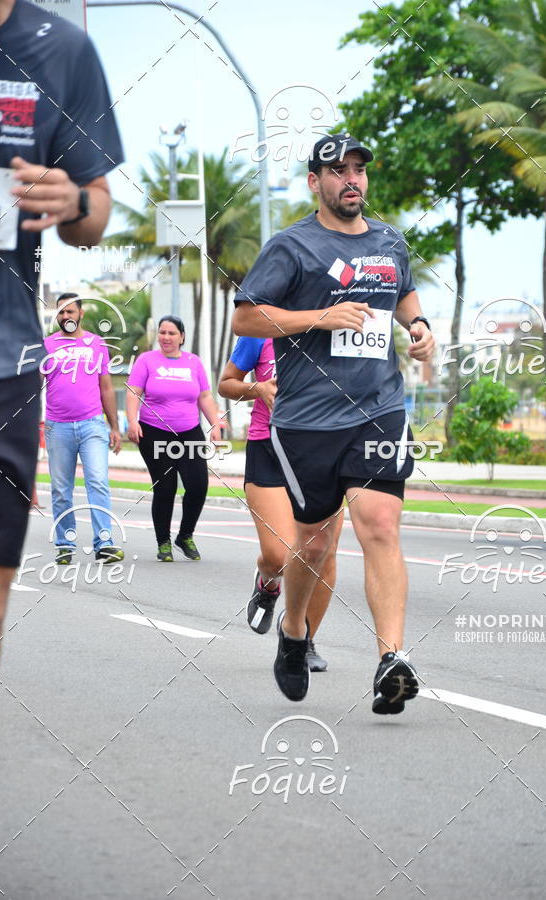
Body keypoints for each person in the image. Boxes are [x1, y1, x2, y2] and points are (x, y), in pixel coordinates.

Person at [232, 134, 436, 714]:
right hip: (307, 419)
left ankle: (390, 661)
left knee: (380, 524)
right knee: (316, 540)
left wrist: (418, 327)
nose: (352, 180)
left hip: (379, 408)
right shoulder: (291, 245)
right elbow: (248, 318)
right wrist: (319, 316)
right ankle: (293, 633)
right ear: (314, 182)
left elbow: (405, 296)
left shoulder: (388, 240)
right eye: (337, 171)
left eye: (359, 170)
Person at [0, 0, 123, 668]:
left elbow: (97, 208)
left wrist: (72, 201)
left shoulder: (62, 50)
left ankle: (90, 537)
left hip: (5, 360)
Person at [218, 336, 343, 672]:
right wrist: (258, 389)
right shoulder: (258, 331)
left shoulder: (335, 332)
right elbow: (226, 384)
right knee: (279, 555)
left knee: (324, 552)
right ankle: (267, 582)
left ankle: (302, 641)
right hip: (268, 447)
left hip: (323, 449)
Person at [126, 316, 223, 562]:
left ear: (182, 336)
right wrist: (132, 420)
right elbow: (133, 392)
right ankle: (164, 542)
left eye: (171, 333)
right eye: (162, 332)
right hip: (154, 430)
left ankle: (185, 535)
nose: (166, 337)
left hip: (189, 431)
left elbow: (204, 397)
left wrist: (215, 424)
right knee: (166, 486)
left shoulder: (194, 362)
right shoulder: (146, 360)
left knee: (198, 485)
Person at [43, 294, 124, 564]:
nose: (66, 316)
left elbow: (106, 388)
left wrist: (114, 427)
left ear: (80, 314)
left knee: (98, 482)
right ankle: (64, 544)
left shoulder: (96, 343)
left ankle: (104, 543)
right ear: (57, 316)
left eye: (70, 312)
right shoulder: (47, 345)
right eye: (61, 312)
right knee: (60, 488)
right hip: (58, 427)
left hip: (92, 425)